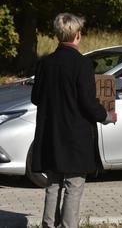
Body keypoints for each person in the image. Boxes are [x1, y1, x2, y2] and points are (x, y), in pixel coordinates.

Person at [31, 12, 117, 228]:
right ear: (77, 35)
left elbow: (36, 98)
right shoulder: (83, 65)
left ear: (57, 35)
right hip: (76, 137)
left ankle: (48, 225)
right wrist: (107, 116)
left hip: (52, 134)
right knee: (73, 185)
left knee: (52, 184)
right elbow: (88, 103)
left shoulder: (45, 64)